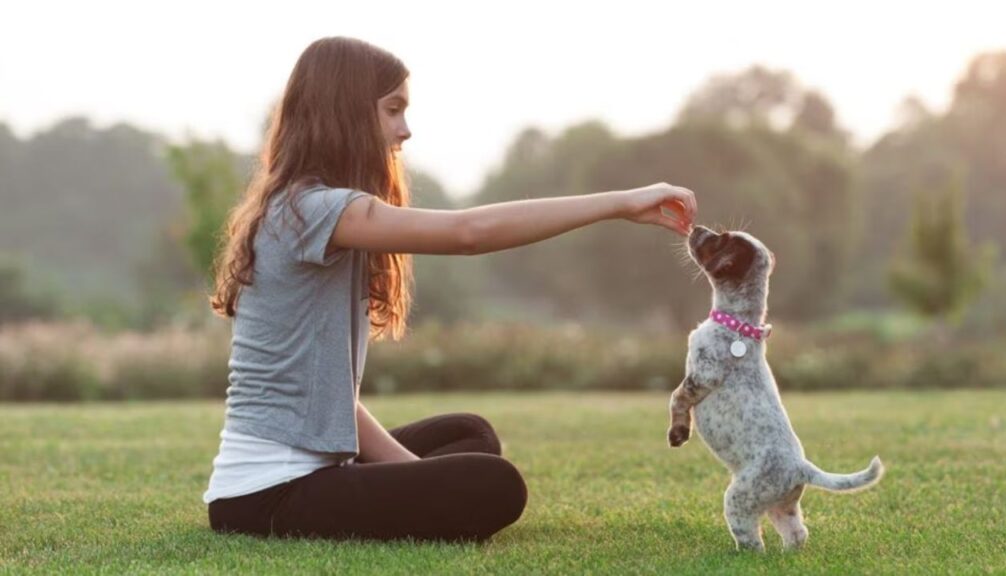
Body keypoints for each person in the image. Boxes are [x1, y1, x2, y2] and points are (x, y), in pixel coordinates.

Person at [202, 36, 697, 543]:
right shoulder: (312, 209)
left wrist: (412, 475)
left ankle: (411, 494)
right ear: (347, 113)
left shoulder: (307, 207)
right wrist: (621, 203)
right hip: (269, 493)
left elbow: (335, 401)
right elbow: (468, 234)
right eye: (392, 110)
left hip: (308, 472)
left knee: (470, 436)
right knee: (493, 484)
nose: (405, 130)